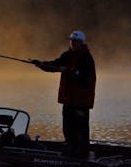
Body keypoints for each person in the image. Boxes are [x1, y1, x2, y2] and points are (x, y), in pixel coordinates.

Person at [32, 30, 96, 158]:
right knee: (68, 129)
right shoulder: (67, 55)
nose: (72, 43)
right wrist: (40, 64)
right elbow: (55, 65)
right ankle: (70, 152)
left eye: (75, 41)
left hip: (81, 102)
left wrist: (69, 71)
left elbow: (85, 79)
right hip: (68, 101)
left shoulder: (87, 58)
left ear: (81, 42)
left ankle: (82, 155)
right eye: (71, 40)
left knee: (81, 131)